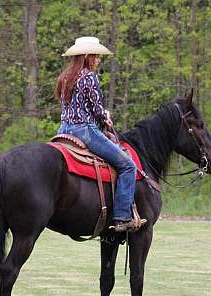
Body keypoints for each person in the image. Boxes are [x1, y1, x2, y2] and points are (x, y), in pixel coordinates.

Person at [55, 36, 145, 233]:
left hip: (63, 131)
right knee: (128, 166)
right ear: (87, 56)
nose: (98, 60)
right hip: (85, 131)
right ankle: (122, 217)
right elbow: (96, 110)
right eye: (96, 56)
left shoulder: (64, 77)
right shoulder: (88, 77)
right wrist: (106, 117)